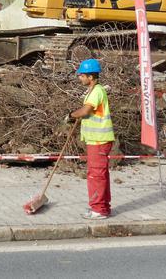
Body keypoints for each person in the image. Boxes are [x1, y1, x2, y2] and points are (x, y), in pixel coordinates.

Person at [67, 58, 115, 219]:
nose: (79, 78)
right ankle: (102, 207)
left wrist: (70, 116)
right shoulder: (92, 91)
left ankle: (99, 210)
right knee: (100, 174)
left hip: (99, 140)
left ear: (90, 77)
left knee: (96, 175)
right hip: (96, 139)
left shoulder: (97, 91)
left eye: (81, 75)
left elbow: (86, 111)